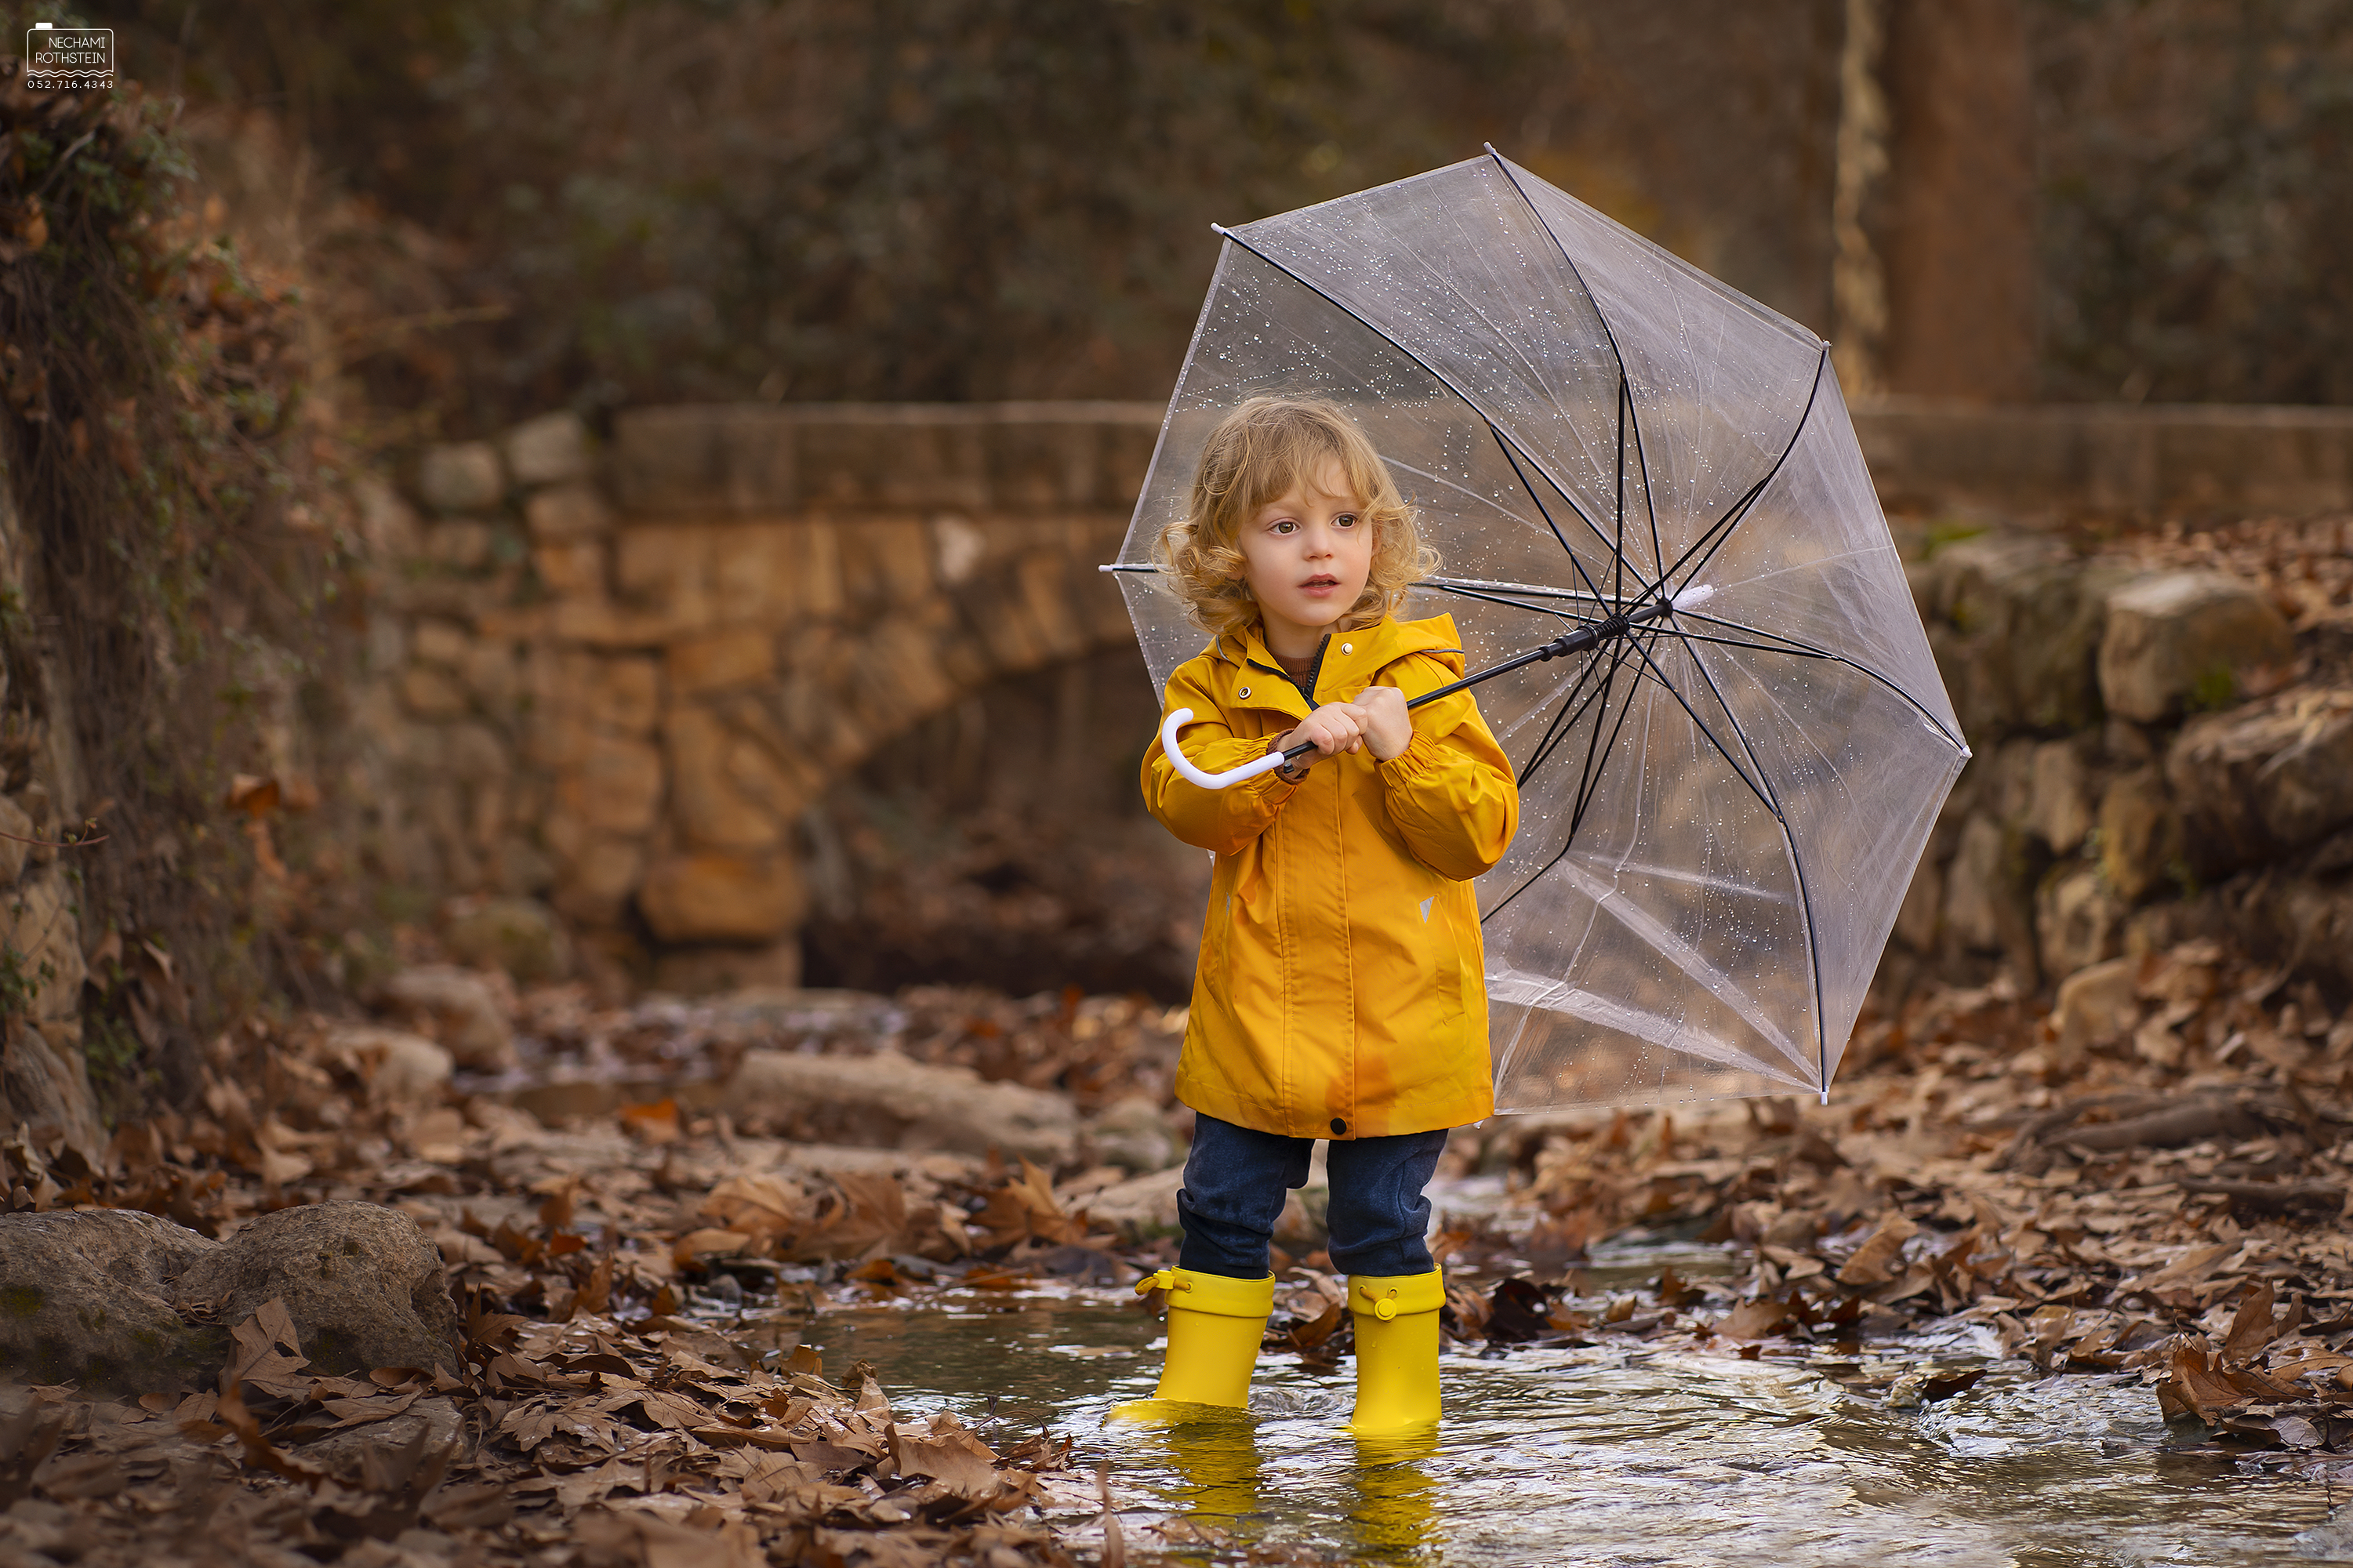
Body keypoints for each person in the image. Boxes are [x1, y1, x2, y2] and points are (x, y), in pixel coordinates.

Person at [1121, 394, 1518, 1436]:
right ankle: (1200, 1395)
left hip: (1401, 1017)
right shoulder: (1206, 691)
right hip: (1261, 1007)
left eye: (1345, 522)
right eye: (1282, 525)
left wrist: (1403, 750)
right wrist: (1288, 752)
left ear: (1377, 539)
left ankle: (1396, 1407)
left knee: (1379, 1216)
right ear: (1225, 551)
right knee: (1219, 1203)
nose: (1319, 549)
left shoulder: (1422, 678)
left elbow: (1475, 833)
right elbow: (1189, 803)